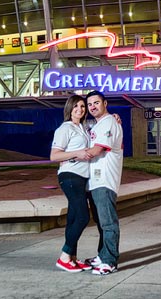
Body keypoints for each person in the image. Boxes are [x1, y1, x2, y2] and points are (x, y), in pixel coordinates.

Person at [50, 94, 93, 272]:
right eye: (76, 107)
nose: (80, 110)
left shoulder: (82, 127)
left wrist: (114, 117)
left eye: (83, 107)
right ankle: (64, 256)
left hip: (81, 177)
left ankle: (72, 259)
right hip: (70, 175)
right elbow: (54, 156)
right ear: (69, 109)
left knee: (73, 218)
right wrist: (77, 153)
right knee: (83, 217)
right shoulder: (65, 128)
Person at [82, 90, 123, 275]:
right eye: (90, 104)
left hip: (105, 180)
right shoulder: (99, 124)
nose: (92, 107)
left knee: (108, 223)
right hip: (96, 180)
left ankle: (110, 261)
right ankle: (103, 255)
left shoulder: (109, 122)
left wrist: (73, 156)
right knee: (101, 222)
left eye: (96, 103)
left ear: (105, 103)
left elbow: (98, 149)